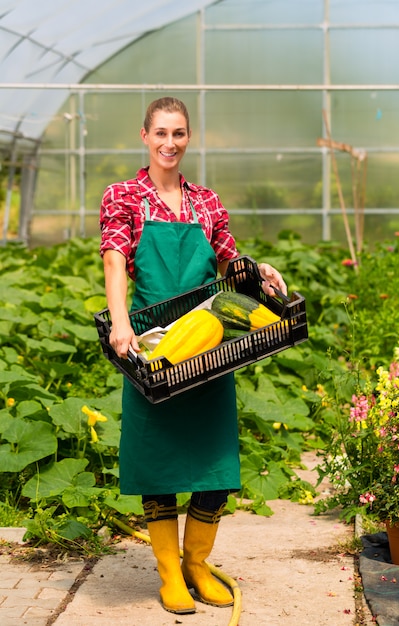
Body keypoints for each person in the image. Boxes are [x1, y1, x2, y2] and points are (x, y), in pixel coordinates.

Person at [99, 97, 287, 615]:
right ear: (144, 136)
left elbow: (230, 258)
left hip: (207, 346)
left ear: (188, 137)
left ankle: (197, 566)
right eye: (160, 133)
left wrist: (259, 269)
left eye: (179, 133)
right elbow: (116, 261)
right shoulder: (125, 197)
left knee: (213, 460)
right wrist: (119, 323)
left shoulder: (206, 201)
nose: (169, 143)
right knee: (156, 459)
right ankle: (168, 576)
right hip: (152, 344)